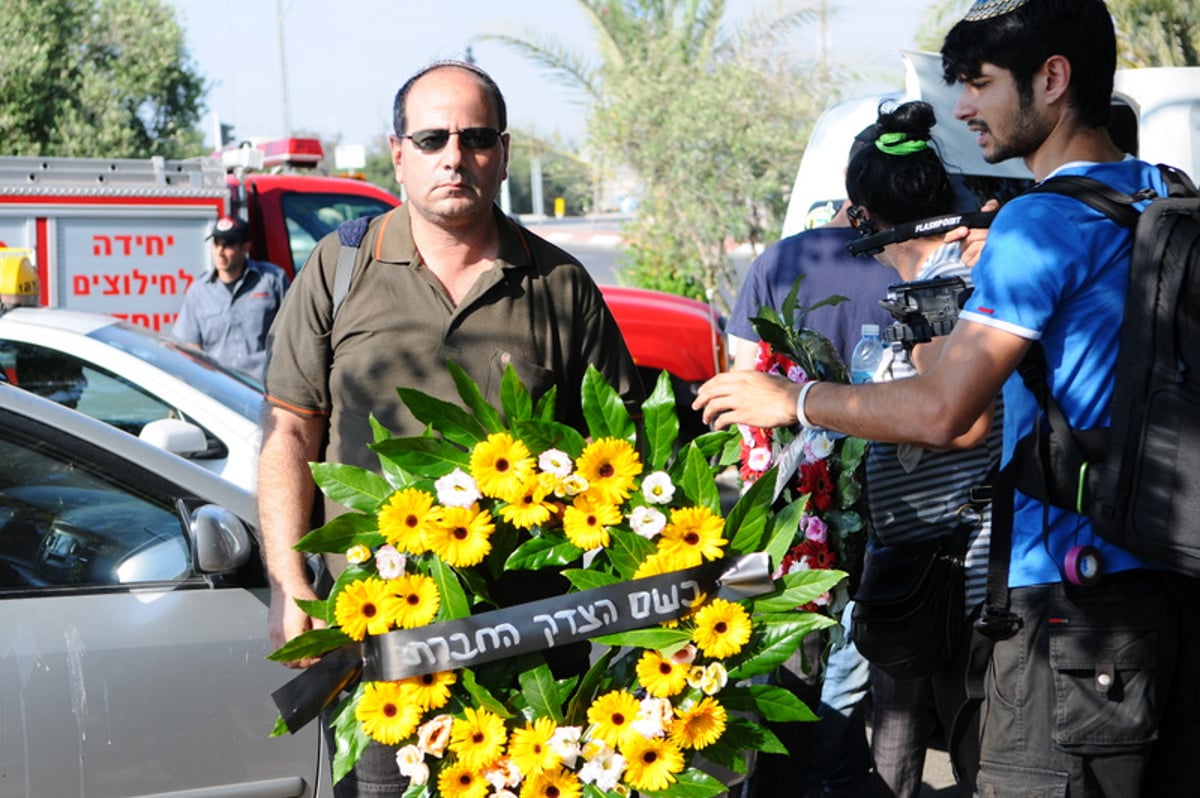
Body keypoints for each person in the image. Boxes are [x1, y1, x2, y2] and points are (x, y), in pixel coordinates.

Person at [694, 1, 1200, 794]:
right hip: (1164, 578)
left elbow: (942, 412)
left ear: (1053, 79)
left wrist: (792, 401)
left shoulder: (1039, 225)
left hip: (1064, 607)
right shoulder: (1162, 189)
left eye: (980, 84)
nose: (964, 108)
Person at [258, 60, 643, 797]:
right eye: (432, 138)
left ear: (502, 152)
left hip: (532, 656)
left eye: (475, 139)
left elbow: (620, 455)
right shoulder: (340, 268)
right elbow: (290, 434)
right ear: (398, 152)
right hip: (379, 650)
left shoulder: (559, 285)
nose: (454, 158)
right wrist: (289, 586)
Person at [841, 99, 1001, 798]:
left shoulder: (942, 281)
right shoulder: (934, 277)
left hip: (956, 580)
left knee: (974, 756)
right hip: (920, 567)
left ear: (864, 214)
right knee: (904, 743)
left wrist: (812, 404)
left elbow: (960, 421)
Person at [729, 131, 894, 798]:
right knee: (848, 651)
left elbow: (740, 380)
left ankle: (761, 776)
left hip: (772, 499)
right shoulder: (908, 263)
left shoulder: (778, 258)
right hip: (874, 491)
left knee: (754, 637)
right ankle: (830, 772)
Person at [171, 215, 290, 383]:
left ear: (245, 247)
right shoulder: (199, 291)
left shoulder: (272, 280)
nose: (220, 252)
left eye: (228, 245)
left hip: (266, 388)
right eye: (216, 244)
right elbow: (189, 346)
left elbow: (294, 334)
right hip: (222, 392)